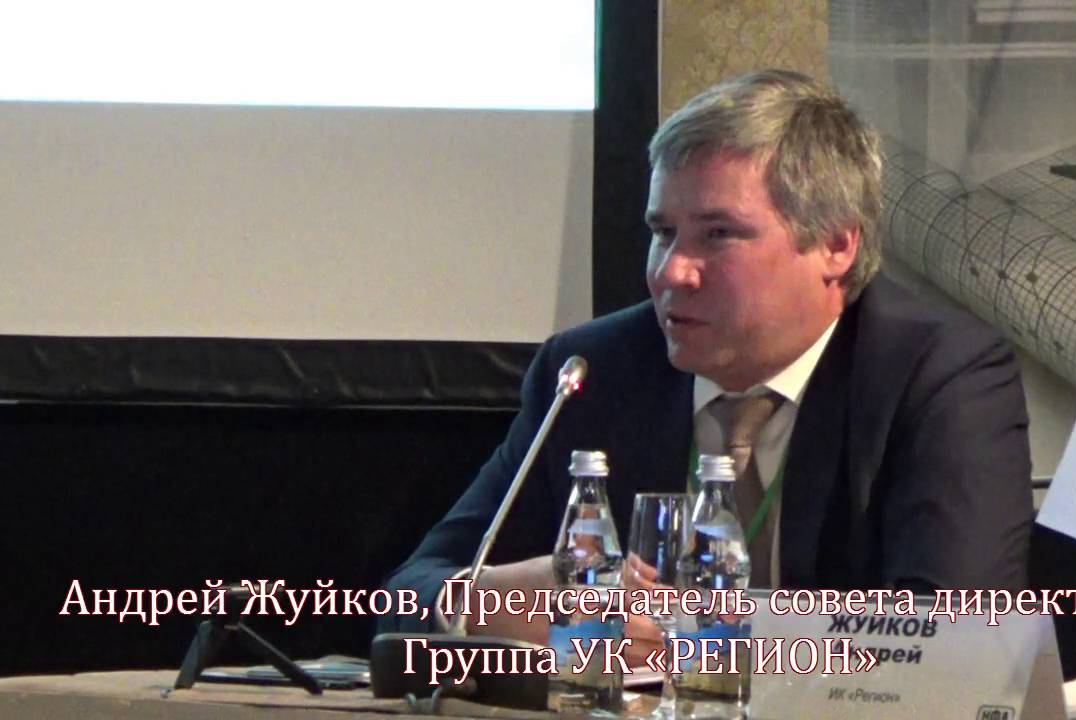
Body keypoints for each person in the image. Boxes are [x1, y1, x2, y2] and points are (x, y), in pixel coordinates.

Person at [382, 69, 1032, 664]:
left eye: (718, 234)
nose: (670, 272)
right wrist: (485, 601)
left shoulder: (939, 377)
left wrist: (703, 648)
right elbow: (404, 600)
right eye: (662, 232)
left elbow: (954, 642)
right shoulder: (594, 372)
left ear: (836, 243)